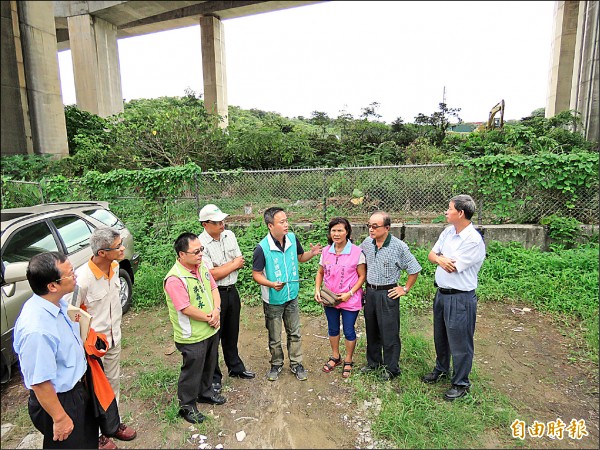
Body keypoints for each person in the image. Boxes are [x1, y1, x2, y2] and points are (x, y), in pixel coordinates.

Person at [13, 252, 99, 449]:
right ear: (52, 286)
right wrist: (60, 418)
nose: (75, 275)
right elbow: (40, 382)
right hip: (60, 400)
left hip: (77, 389)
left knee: (87, 442)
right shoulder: (37, 330)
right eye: (70, 273)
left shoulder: (56, 303)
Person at [66, 227, 136, 449]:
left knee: (113, 382)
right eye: (118, 246)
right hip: (93, 348)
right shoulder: (82, 279)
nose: (123, 248)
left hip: (114, 339)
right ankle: (97, 435)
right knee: (93, 391)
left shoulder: (114, 267)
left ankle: (113, 425)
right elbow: (71, 313)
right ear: (102, 252)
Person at [422, 195, 486, 401]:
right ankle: (441, 368)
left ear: (460, 213)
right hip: (442, 294)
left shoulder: (473, 240)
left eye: (449, 209)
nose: (445, 212)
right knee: (440, 336)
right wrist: (440, 258)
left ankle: (461, 383)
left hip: (460, 298)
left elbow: (453, 267)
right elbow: (432, 255)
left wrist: (440, 259)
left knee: (460, 342)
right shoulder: (448, 232)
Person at [252, 207, 322, 381]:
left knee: (295, 332)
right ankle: (276, 364)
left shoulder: (291, 239)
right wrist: (271, 284)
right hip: (273, 300)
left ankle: (296, 364)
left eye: (286, 220)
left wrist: (311, 254)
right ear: (270, 225)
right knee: (275, 336)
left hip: (292, 296)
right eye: (281, 222)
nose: (286, 225)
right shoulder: (262, 248)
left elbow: (300, 257)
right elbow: (256, 274)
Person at [164, 232, 225, 425]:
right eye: (196, 251)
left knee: (209, 364)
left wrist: (216, 310)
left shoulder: (202, 267)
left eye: (201, 250)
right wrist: (210, 317)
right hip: (192, 335)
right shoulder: (175, 279)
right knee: (192, 370)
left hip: (210, 329)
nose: (200, 254)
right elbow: (185, 308)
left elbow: (214, 289)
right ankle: (187, 405)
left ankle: (205, 393)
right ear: (182, 254)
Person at [198, 204, 255, 393]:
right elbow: (211, 275)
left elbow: (240, 260)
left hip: (232, 290)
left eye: (223, 220)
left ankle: (235, 367)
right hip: (214, 294)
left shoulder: (229, 235)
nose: (222, 224)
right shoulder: (200, 245)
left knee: (232, 332)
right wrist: (231, 266)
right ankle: (214, 377)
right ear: (205, 224)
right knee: (214, 336)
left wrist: (224, 267)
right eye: (217, 222)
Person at [360, 211, 422, 381]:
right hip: (370, 292)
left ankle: (391, 368)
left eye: (375, 226)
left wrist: (405, 288)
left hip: (387, 294)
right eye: (369, 226)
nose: (371, 230)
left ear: (387, 228)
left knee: (389, 332)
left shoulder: (398, 246)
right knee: (372, 329)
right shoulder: (367, 243)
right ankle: (374, 362)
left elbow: (414, 268)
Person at [314, 217, 366, 378]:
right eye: (333, 230)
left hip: (350, 299)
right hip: (330, 299)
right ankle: (335, 356)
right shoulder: (326, 251)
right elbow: (320, 272)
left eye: (340, 230)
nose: (336, 234)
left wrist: (348, 294)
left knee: (349, 330)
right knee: (333, 328)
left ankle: (348, 359)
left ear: (347, 232)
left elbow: (362, 276)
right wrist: (317, 290)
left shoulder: (357, 252)